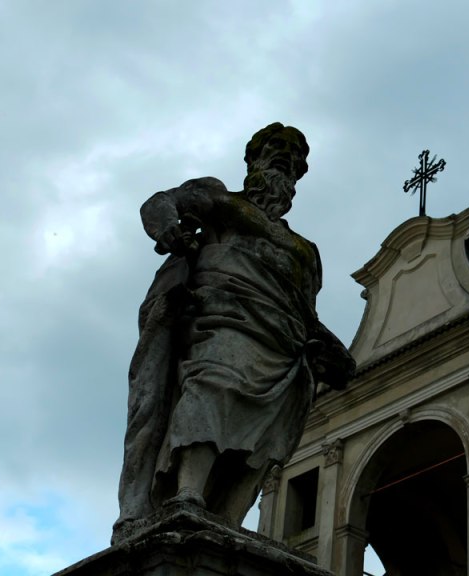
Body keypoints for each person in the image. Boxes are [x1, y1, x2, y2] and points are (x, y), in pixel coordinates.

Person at [113, 123, 354, 541]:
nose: (287, 160)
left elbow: (306, 315)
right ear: (253, 160)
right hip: (222, 320)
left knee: (274, 437)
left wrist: (337, 355)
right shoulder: (222, 200)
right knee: (213, 384)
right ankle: (186, 494)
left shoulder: (306, 253)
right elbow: (161, 202)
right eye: (276, 149)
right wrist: (168, 226)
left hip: (286, 347)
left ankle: (226, 517)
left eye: (296, 160)